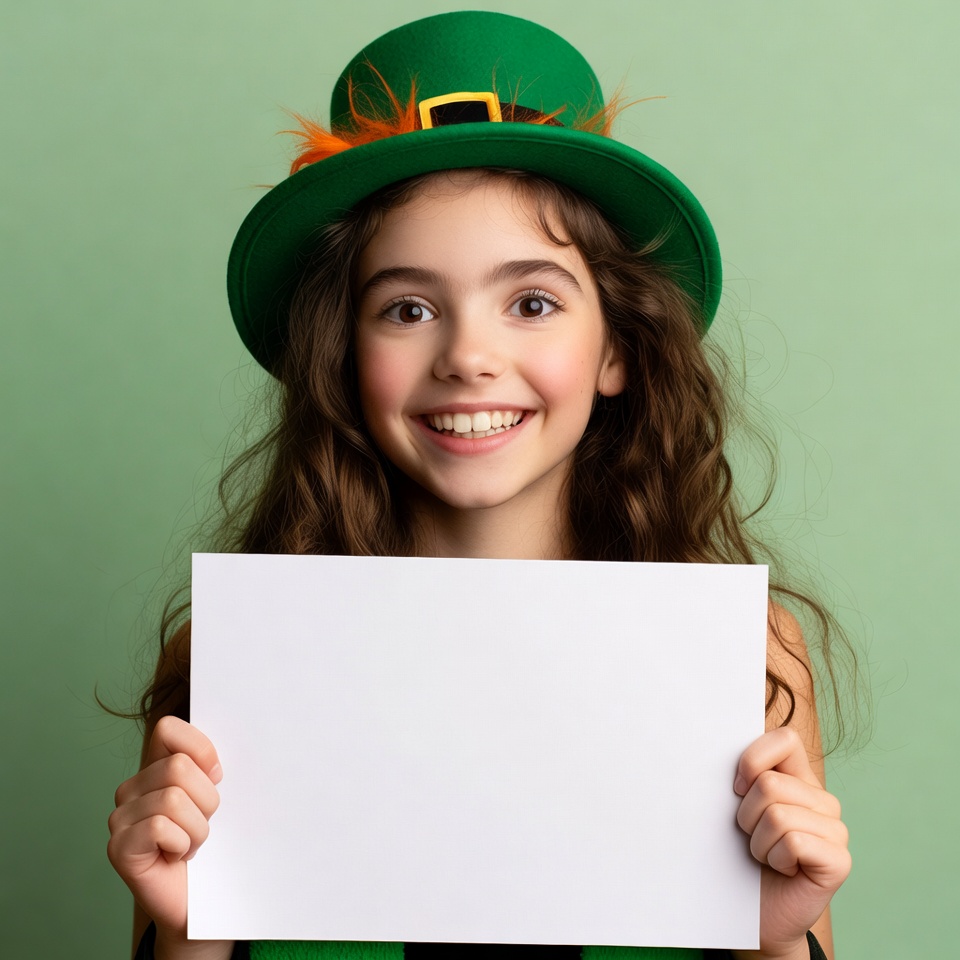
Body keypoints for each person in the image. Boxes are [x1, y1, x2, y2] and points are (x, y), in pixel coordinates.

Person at [107, 11, 852, 960]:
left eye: (532, 302)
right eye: (408, 308)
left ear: (618, 344)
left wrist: (777, 941)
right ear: (342, 354)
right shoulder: (227, 656)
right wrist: (186, 932)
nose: (468, 357)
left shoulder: (749, 655)